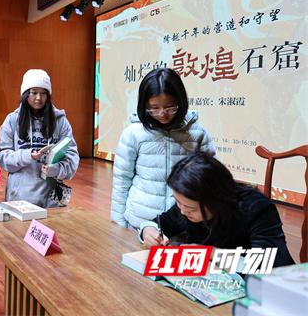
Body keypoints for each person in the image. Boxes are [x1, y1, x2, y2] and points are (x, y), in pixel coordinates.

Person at [140, 152, 295, 268]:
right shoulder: (187, 202)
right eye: (178, 202)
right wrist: (149, 232)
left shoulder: (256, 207)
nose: (182, 211)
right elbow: (159, 223)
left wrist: (211, 253)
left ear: (215, 199)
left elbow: (269, 264)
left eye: (190, 208)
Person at [111, 68, 215, 229]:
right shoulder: (133, 133)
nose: (162, 114)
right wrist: (118, 224)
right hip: (140, 222)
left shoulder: (197, 133)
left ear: (180, 101)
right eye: (154, 108)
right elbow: (121, 180)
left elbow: (210, 179)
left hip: (183, 224)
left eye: (170, 107)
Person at [0, 69, 79, 208]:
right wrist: (27, 156)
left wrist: (56, 169)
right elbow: (1, 156)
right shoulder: (12, 120)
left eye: (43, 93)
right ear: (25, 94)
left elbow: (72, 158)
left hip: (50, 200)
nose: (39, 98)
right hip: (19, 197)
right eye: (34, 92)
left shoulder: (60, 122)